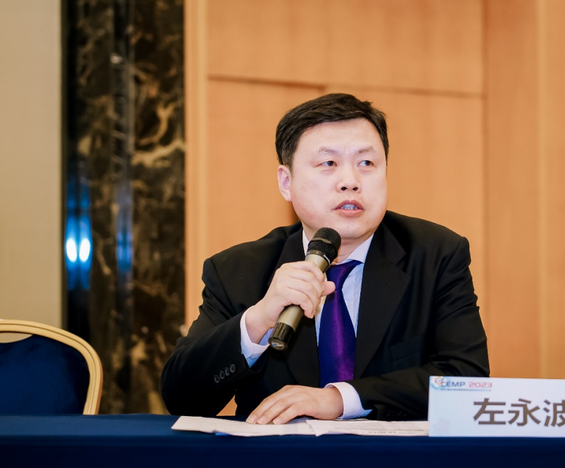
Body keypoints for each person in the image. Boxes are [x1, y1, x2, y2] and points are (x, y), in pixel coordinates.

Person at [161, 93, 489, 423]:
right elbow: (181, 397)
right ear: (286, 182)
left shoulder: (436, 255)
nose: (350, 182)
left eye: (366, 163)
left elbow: (467, 380)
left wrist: (341, 399)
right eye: (328, 163)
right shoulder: (238, 270)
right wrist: (258, 320)